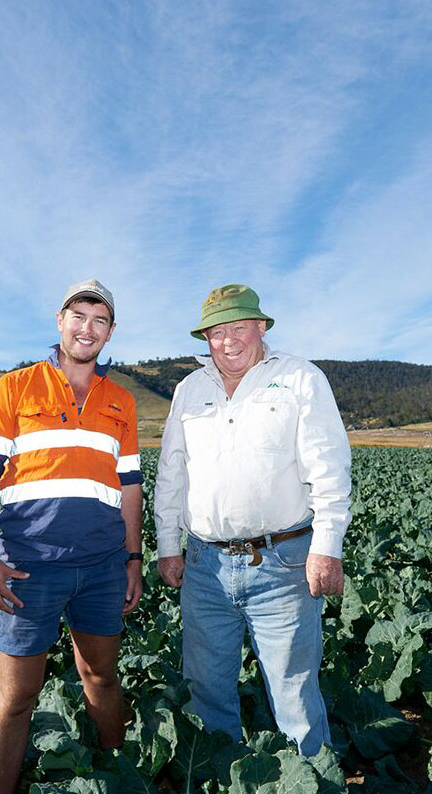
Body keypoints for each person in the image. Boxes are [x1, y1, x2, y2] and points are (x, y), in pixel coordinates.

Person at [0, 279, 143, 794]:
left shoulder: (122, 401)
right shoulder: (13, 389)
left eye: (100, 320)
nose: (87, 328)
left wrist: (133, 559)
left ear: (110, 332)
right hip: (29, 570)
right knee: (16, 697)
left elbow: (130, 485)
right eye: (79, 316)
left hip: (101, 568)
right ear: (59, 322)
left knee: (101, 677)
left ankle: (120, 783)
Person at [153, 283, 351, 755]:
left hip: (283, 562)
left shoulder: (301, 378)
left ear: (261, 327)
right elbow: (170, 472)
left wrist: (327, 548)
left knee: (294, 692)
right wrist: (167, 546)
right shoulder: (189, 390)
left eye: (239, 327)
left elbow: (329, 466)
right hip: (205, 566)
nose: (228, 340)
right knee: (206, 687)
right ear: (205, 338)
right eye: (217, 332)